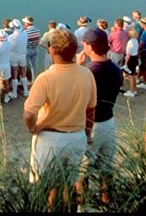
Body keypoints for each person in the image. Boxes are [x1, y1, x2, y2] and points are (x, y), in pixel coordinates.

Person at [23, 28, 96, 201]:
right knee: (69, 185)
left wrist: (33, 127)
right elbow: (91, 110)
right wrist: (86, 133)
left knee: (47, 187)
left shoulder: (45, 78)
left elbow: (28, 114)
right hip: (77, 137)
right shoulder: (87, 74)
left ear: (52, 51)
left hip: (50, 138)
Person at [79, 28, 122, 207]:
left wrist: (78, 68)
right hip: (109, 122)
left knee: (82, 171)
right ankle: (107, 202)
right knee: (106, 167)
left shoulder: (88, 72)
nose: (82, 45)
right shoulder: (116, 69)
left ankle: (83, 204)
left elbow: (80, 101)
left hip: (91, 125)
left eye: (84, 43)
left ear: (89, 47)